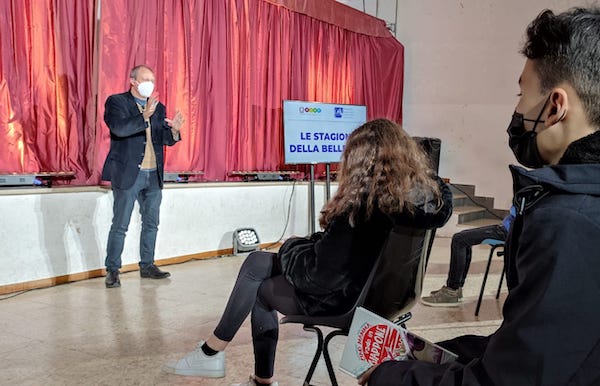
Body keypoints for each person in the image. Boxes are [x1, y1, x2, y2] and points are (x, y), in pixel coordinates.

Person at [359, 7, 600, 385]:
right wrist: (443, 356)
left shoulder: (569, 222)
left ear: (556, 106)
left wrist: (392, 377)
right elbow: (541, 347)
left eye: (522, 93)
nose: (517, 110)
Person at [162, 119, 453, 386]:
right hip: (386, 298)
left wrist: (291, 246)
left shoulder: (361, 207)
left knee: (261, 288)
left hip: (345, 301)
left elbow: (318, 277)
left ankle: (244, 371)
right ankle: (213, 352)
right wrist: (310, 246)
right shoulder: (421, 200)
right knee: (257, 262)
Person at [102, 64, 184, 288]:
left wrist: (174, 130)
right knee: (120, 225)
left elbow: (164, 139)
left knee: (151, 224)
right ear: (133, 81)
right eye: (145, 79)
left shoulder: (158, 107)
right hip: (129, 174)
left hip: (153, 175)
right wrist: (143, 117)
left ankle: (147, 265)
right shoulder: (117, 102)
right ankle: (113, 270)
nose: (150, 84)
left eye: (153, 80)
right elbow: (119, 129)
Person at [421, 206, 515, 307]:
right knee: (462, 238)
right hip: (509, 228)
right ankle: (457, 288)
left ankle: (452, 291)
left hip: (509, 231)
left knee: (459, 240)